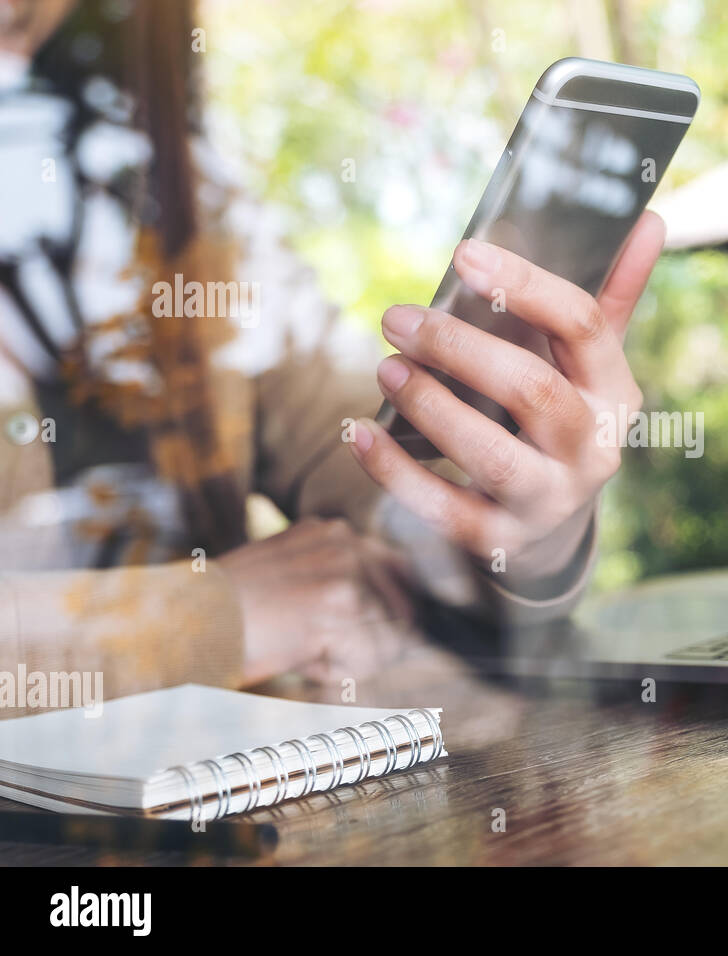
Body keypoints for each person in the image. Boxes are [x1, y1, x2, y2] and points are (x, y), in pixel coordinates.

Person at [0, 0, 657, 709]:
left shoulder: (175, 187)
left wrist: (518, 513)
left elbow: (371, 479)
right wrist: (206, 620)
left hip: (229, 796)